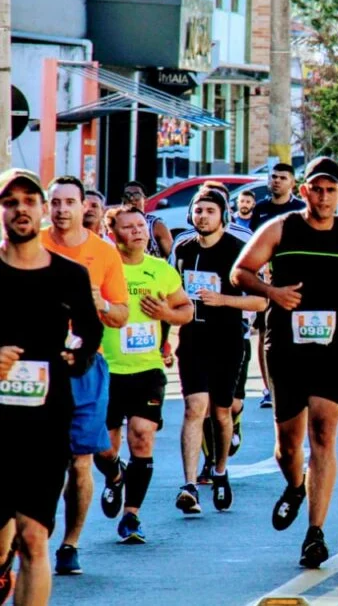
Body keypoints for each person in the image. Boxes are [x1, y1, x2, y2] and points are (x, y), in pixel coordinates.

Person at [231, 157, 338, 568]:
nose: (323, 196)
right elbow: (239, 271)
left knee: (323, 434)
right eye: (316, 188)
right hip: (286, 347)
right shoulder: (281, 229)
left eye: (331, 189)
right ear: (304, 192)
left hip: (333, 348)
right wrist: (273, 292)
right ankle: (295, 486)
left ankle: (315, 533)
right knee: (286, 447)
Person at [0, 169, 103, 606]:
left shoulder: (69, 276)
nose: (20, 208)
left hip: (46, 422)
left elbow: (90, 331)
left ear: (43, 210)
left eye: (29, 200)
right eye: (10, 202)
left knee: (34, 538)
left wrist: (75, 357)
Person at [41, 176, 130, 577]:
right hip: (36, 367)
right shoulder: (30, 246)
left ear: (84, 208)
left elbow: (122, 314)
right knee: (37, 460)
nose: (61, 210)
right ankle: (31, 532)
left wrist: (101, 304)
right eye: (54, 202)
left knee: (79, 461)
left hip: (85, 366)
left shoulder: (103, 254)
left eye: (69, 203)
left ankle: (70, 544)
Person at [94, 206, 192, 541]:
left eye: (141, 225)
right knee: (104, 448)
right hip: (107, 369)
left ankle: (131, 516)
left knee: (142, 436)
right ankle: (116, 475)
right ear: (114, 232)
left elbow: (186, 310)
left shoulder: (160, 270)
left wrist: (166, 312)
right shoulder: (104, 268)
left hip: (147, 369)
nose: (137, 231)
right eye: (128, 226)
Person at [172, 190, 267, 515]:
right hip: (192, 339)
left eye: (209, 211)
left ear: (223, 215)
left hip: (227, 340)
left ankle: (220, 468)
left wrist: (224, 300)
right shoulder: (183, 249)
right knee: (194, 407)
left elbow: (260, 301)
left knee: (222, 412)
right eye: (198, 210)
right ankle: (188, 484)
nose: (202, 216)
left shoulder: (237, 251)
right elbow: (173, 294)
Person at [248, 163, 305, 408]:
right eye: (273, 177)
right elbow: (250, 246)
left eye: (282, 177)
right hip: (265, 282)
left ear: (292, 182)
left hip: (295, 282)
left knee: (295, 332)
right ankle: (268, 387)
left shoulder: (300, 209)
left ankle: (298, 383)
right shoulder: (260, 209)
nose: (277, 181)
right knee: (264, 333)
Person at [121, 182, 172, 258]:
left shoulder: (156, 225)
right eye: (127, 195)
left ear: (145, 200)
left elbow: (172, 258)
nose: (131, 199)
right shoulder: (115, 224)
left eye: (137, 195)